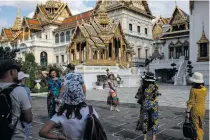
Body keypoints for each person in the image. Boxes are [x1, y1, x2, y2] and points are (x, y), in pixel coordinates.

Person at [39, 64, 97, 140]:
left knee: (52, 111)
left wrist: (59, 137)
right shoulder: (90, 111)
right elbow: (83, 87)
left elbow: (42, 132)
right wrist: (84, 97)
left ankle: (54, 122)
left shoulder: (62, 113)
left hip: (59, 101)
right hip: (54, 97)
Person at [0, 59, 32, 140]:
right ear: (11, 72)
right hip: (14, 135)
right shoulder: (19, 90)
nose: (18, 72)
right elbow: (28, 119)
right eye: (17, 70)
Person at [136, 72, 159, 140]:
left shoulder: (143, 86)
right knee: (155, 121)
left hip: (145, 105)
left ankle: (145, 138)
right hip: (154, 105)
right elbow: (156, 94)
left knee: (145, 121)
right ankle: (153, 138)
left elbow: (138, 96)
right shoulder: (155, 86)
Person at [186, 72, 207, 140]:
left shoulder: (193, 90)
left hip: (195, 110)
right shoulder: (204, 89)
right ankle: (200, 137)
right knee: (200, 125)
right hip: (202, 109)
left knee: (195, 126)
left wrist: (187, 112)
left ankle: (197, 138)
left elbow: (191, 102)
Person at [17, 71, 31, 140]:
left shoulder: (10, 88)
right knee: (26, 133)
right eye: (24, 78)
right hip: (24, 114)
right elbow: (29, 103)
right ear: (22, 79)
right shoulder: (26, 89)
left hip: (15, 115)